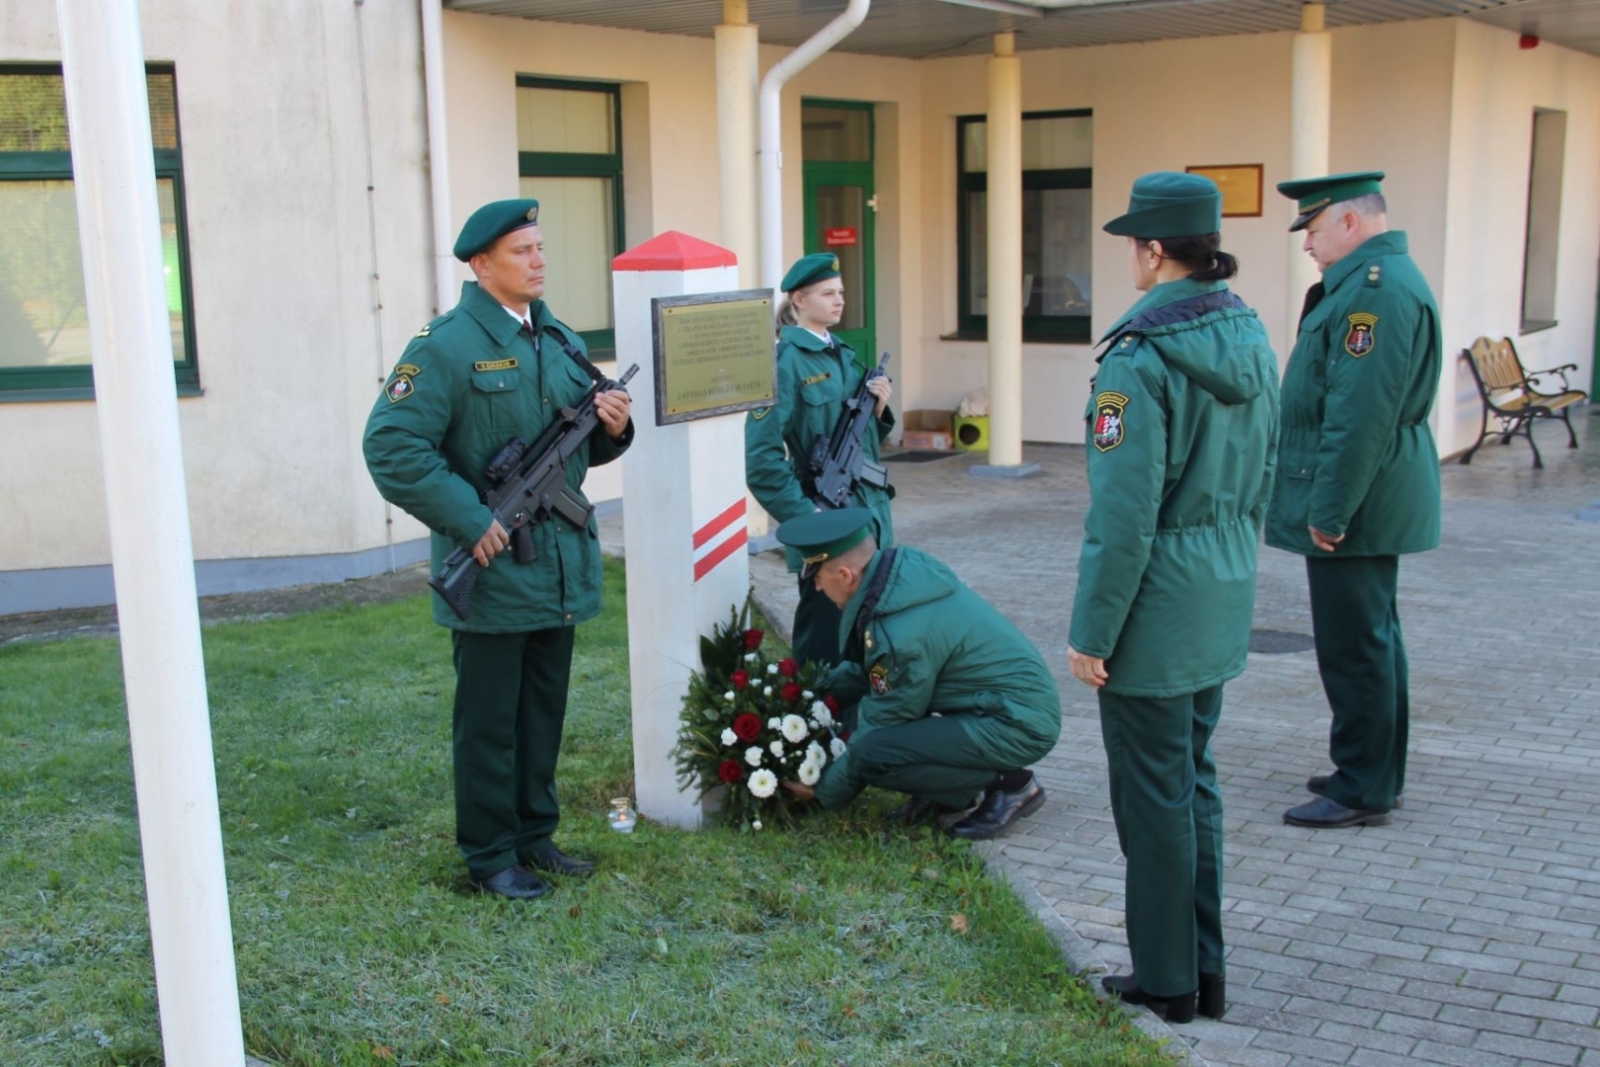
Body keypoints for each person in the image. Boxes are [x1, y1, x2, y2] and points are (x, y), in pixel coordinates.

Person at [363, 198, 634, 901]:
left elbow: (579, 450)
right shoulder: (445, 346)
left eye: (542, 247)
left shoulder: (559, 338)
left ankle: (533, 834)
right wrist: (467, 516)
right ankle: (489, 855)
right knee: (490, 724)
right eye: (523, 250)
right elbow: (391, 446)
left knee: (543, 709)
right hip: (491, 572)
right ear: (481, 264)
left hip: (558, 570)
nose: (539, 260)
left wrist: (612, 427)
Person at [1066, 172, 1279, 1023]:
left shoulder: (1137, 359)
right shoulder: (1249, 333)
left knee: (1155, 800)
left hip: (1154, 609)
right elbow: (1262, 468)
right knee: (1194, 785)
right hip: (1221, 590)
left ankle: (1168, 981)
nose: (1129, 256)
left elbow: (1123, 521)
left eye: (1132, 243)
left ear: (1155, 251)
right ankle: (1205, 970)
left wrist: (1093, 631)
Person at [1268, 172, 1441, 829]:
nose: (1307, 243)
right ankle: (1371, 767)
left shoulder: (1376, 292)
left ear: (1349, 223)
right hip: (1372, 492)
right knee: (1371, 637)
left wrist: (1329, 509)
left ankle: (1362, 784)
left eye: (1312, 229)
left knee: (1354, 645)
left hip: (1360, 499)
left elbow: (1359, 414)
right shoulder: (1370, 282)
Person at [774, 508, 1061, 840]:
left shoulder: (900, 632)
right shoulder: (892, 585)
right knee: (888, 747)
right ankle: (950, 793)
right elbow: (862, 668)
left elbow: (884, 723)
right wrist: (810, 696)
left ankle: (1011, 786)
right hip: (1000, 708)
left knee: (875, 755)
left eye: (818, 578)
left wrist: (825, 790)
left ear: (844, 574)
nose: (819, 589)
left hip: (1017, 722)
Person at [746, 253, 894, 668]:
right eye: (827, 293)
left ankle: (857, 730)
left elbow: (861, 446)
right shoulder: (784, 364)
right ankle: (814, 726)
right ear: (798, 300)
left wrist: (880, 413)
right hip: (827, 526)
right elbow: (762, 460)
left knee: (867, 643)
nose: (839, 300)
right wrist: (807, 517)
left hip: (869, 514)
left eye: (841, 292)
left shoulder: (843, 354)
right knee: (825, 649)